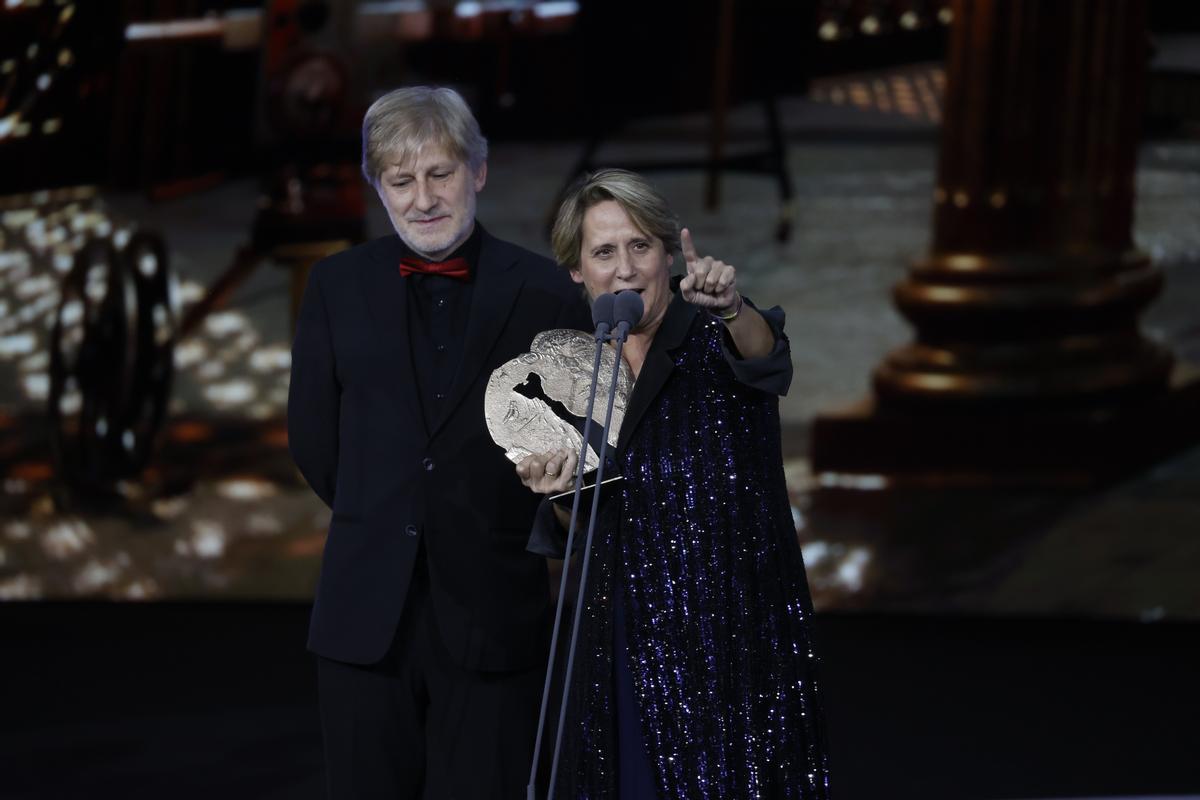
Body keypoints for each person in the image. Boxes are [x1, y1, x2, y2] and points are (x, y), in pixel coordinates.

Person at [288, 86, 591, 799]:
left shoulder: (545, 290)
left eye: (440, 174)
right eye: (401, 180)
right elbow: (313, 441)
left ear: (478, 172)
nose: (422, 198)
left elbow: (579, 439)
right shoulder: (335, 286)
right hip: (363, 617)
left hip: (494, 613)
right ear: (378, 186)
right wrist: (386, 506)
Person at [517, 169, 831, 798]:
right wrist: (556, 494)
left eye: (641, 246)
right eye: (604, 252)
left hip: (730, 643)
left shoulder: (714, 333)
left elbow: (766, 357)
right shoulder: (572, 377)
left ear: (667, 254)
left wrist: (736, 308)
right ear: (578, 271)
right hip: (620, 641)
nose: (626, 268)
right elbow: (578, 530)